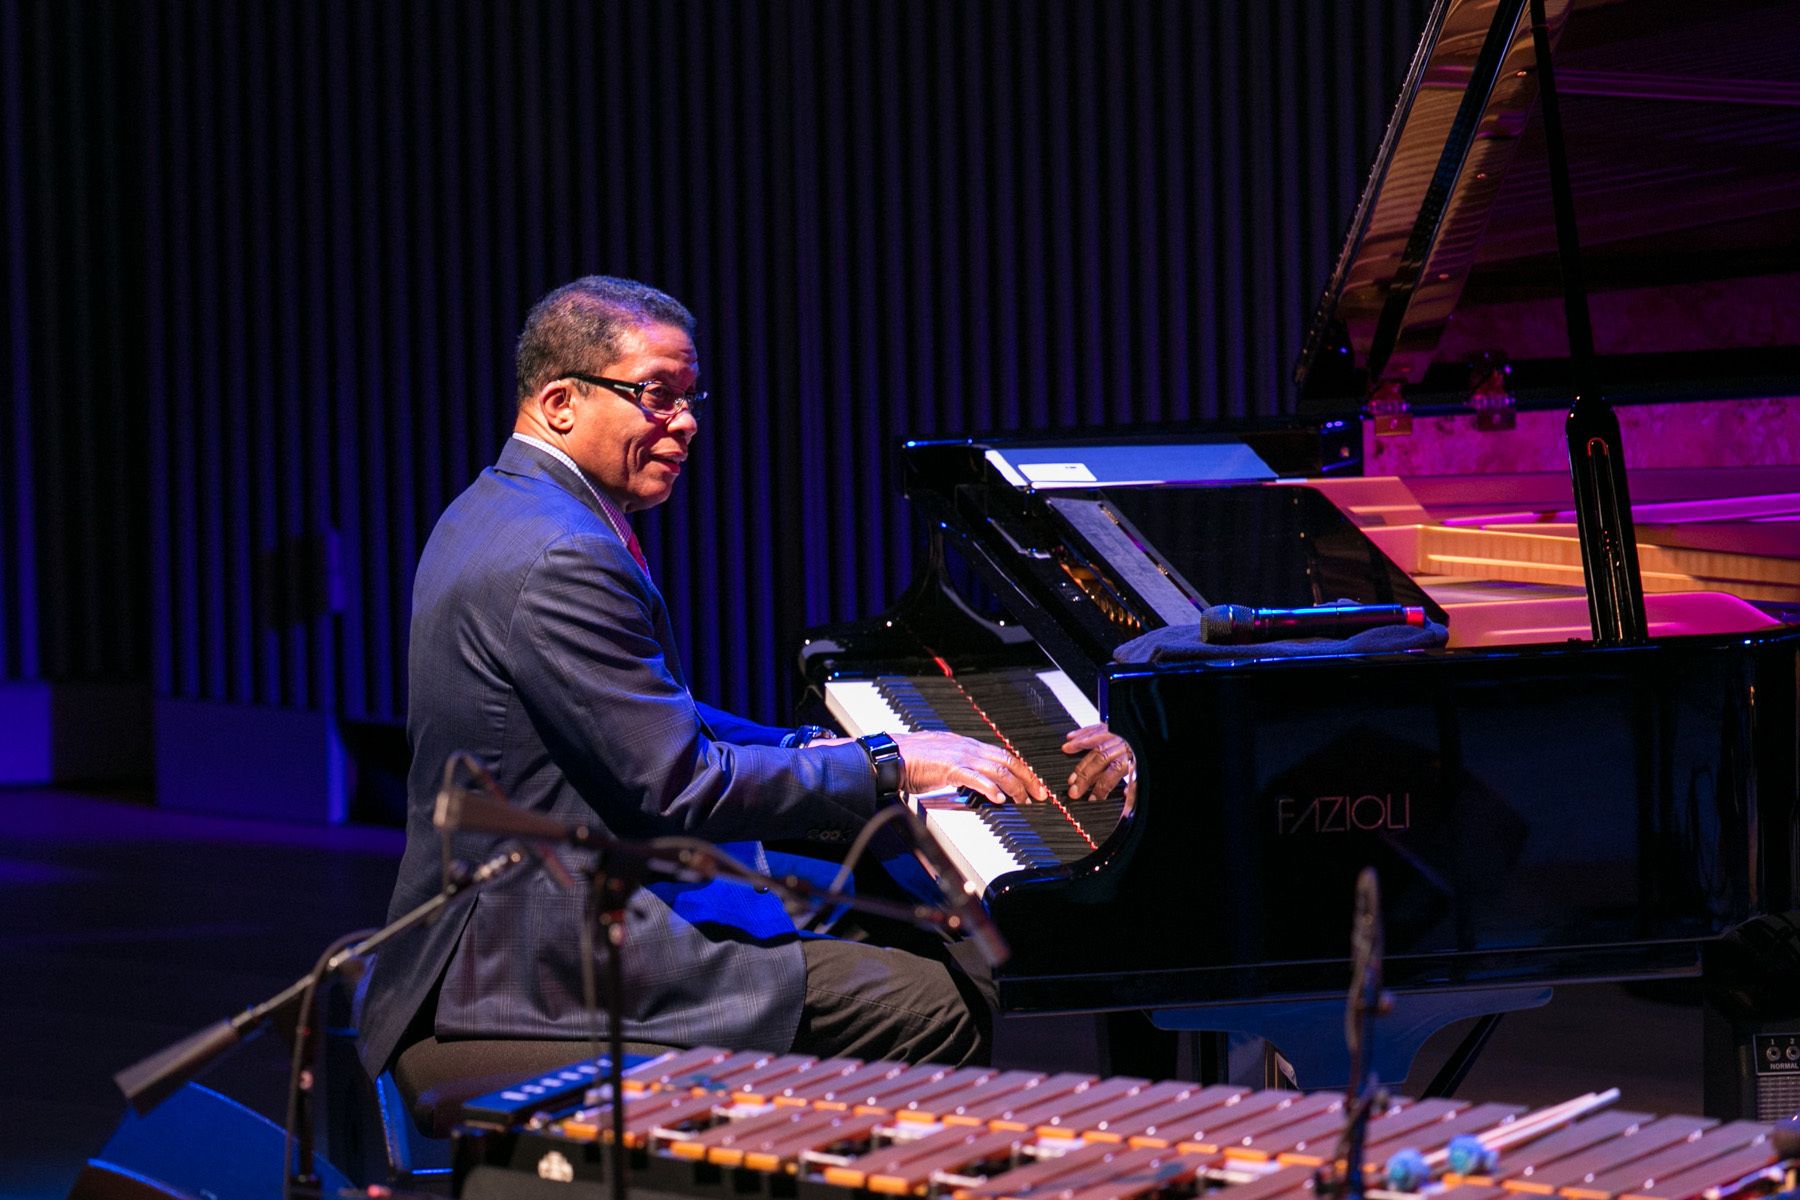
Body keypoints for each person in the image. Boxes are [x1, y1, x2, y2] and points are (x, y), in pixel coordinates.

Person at [356, 276, 1134, 1095]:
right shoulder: (564, 555)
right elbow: (679, 784)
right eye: (655, 396)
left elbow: (652, 716)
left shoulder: (504, 505)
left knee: (872, 906)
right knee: (940, 999)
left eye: (690, 397)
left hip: (532, 910)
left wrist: (812, 747)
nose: (686, 422)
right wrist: (886, 765)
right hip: (547, 954)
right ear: (560, 403)